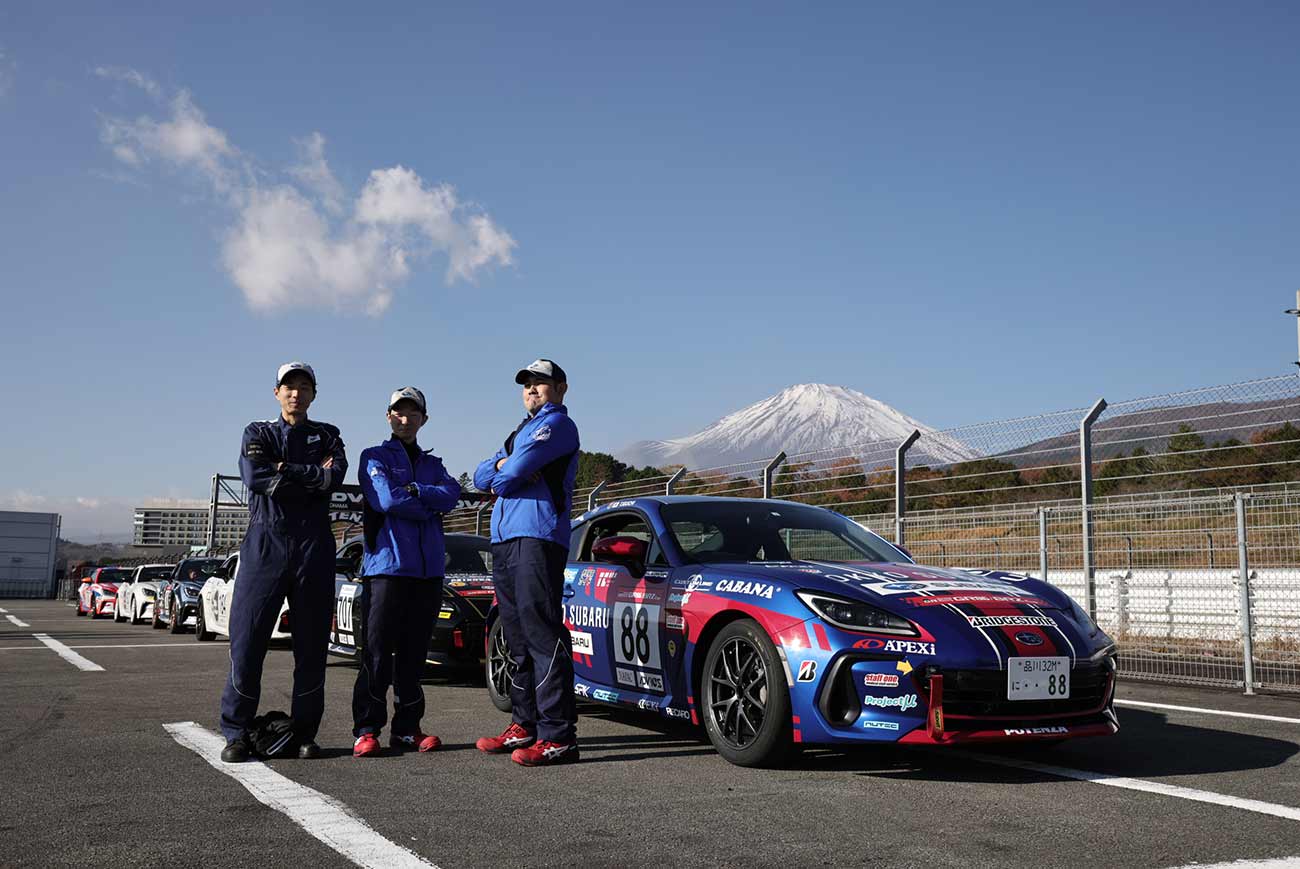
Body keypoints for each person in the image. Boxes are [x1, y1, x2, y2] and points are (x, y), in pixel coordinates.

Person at [219, 362, 347, 763]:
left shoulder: (328, 434)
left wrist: (286, 470)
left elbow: (334, 478)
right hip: (264, 545)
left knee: (311, 649)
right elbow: (255, 477)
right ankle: (237, 731)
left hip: (315, 548)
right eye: (289, 386)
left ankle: (304, 732)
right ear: (276, 392)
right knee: (248, 641)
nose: (296, 393)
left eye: (304, 386)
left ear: (314, 393)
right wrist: (309, 478)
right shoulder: (258, 432)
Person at [473, 359, 582, 766]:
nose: (532, 389)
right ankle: (525, 724)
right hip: (505, 539)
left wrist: (506, 470)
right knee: (516, 636)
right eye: (527, 384)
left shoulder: (557, 426)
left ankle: (559, 735)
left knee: (541, 632)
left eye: (540, 383)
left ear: (561, 388)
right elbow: (483, 475)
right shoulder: (520, 431)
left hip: (539, 537)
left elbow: (510, 471)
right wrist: (506, 469)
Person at [352, 386, 462, 757]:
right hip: (386, 569)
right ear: (388, 416)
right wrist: (426, 502)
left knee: (415, 655)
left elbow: (452, 494)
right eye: (398, 412)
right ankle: (367, 729)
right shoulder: (373, 457)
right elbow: (386, 499)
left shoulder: (435, 465)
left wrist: (415, 491)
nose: (405, 418)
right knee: (378, 653)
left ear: (424, 419)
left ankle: (407, 729)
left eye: (413, 412)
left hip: (428, 572)